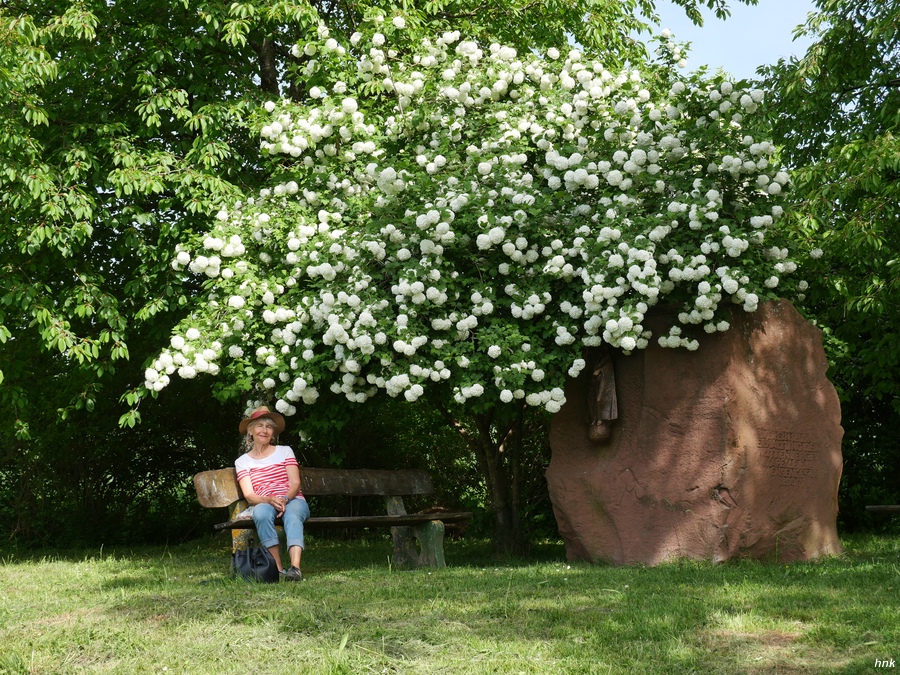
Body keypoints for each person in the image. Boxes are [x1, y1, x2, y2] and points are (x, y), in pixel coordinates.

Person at [235, 405, 309, 581]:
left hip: (292, 499)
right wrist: (270, 500)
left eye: (269, 427)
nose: (264, 430)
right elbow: (249, 495)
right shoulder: (242, 461)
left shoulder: (285, 451)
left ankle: (295, 569)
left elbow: (295, 483)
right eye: (260, 425)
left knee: (292, 514)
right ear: (250, 431)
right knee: (260, 513)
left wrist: (284, 498)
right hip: (265, 502)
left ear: (273, 433)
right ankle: (278, 569)